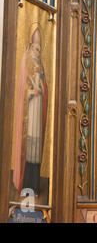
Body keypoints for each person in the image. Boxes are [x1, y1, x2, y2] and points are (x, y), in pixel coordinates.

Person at [13, 29, 48, 196]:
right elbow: (23, 90)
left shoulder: (40, 66)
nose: (38, 53)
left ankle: (33, 186)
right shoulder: (26, 63)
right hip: (30, 110)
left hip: (38, 110)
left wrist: (41, 87)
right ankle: (24, 184)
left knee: (35, 150)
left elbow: (43, 87)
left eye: (40, 50)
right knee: (28, 148)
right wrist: (31, 92)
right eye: (36, 49)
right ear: (30, 47)